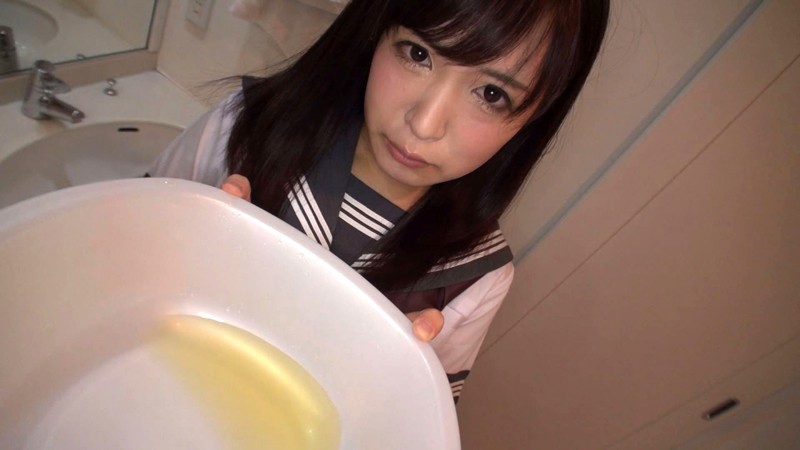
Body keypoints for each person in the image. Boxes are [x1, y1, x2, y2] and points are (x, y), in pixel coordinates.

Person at [148, 0, 610, 403]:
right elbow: (121, 241)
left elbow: (419, 425)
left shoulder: (476, 276)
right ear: (376, 26)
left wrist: (392, 389)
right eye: (418, 54)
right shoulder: (248, 130)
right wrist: (188, 252)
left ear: (533, 119)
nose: (425, 124)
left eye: (491, 94)